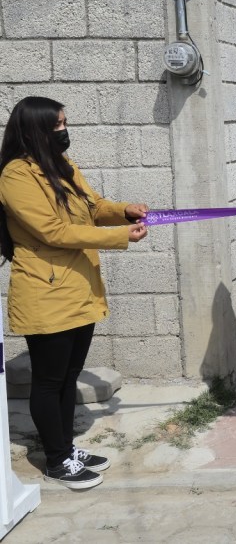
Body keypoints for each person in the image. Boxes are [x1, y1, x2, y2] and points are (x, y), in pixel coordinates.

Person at [0, 96, 149, 490]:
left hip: (78, 285)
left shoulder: (62, 166)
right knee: (49, 381)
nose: (64, 131)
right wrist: (120, 236)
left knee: (68, 376)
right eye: (56, 126)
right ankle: (55, 460)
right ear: (34, 130)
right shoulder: (16, 176)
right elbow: (52, 231)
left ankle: (65, 449)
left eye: (64, 123)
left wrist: (125, 211)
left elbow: (94, 206)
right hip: (46, 291)